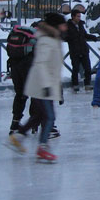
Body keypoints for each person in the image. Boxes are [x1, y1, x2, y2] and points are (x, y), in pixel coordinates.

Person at [7, 13, 67, 163]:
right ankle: (42, 148)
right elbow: (41, 64)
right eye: (62, 24)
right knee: (49, 116)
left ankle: (18, 137)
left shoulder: (51, 38)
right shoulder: (47, 40)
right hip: (42, 85)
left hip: (44, 84)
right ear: (56, 26)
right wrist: (47, 86)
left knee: (39, 116)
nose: (65, 27)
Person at [65, 9, 98, 92]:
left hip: (83, 49)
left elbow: (84, 34)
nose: (79, 18)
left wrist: (93, 37)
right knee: (75, 68)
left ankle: (87, 84)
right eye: (77, 16)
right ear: (73, 17)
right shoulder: (68, 26)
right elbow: (65, 36)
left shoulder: (80, 25)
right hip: (75, 50)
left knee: (87, 68)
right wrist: (71, 39)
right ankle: (75, 84)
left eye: (80, 16)